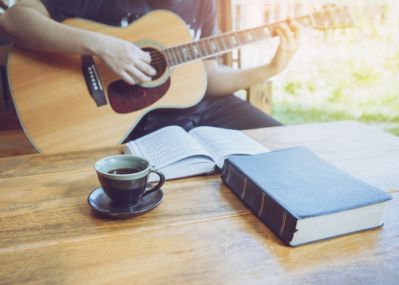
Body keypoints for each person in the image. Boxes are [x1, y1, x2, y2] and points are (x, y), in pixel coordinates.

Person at [0, 0, 301, 140]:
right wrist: (99, 45)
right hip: (123, 124)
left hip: (194, 108)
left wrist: (270, 68)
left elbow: (207, 76)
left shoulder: (202, 3)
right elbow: (15, 19)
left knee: (282, 145)